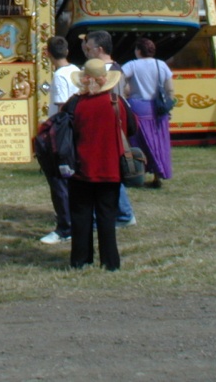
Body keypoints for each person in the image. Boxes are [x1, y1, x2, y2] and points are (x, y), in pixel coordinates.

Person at [65, 59, 137, 271]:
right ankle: (110, 262)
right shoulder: (117, 102)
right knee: (107, 217)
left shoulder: (75, 104)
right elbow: (132, 128)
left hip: (81, 168)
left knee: (81, 217)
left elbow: (64, 132)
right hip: (111, 168)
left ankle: (80, 260)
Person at [82, 31, 136, 227]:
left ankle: (121, 213)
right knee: (110, 172)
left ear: (100, 49)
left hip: (108, 127)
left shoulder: (104, 72)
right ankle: (121, 212)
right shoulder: (118, 69)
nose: (86, 52)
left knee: (107, 173)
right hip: (113, 126)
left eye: (89, 48)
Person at [38, 36, 78, 245]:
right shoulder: (77, 71)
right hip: (75, 132)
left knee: (59, 181)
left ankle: (65, 227)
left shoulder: (61, 76)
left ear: (48, 54)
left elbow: (62, 108)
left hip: (62, 134)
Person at [121, 37, 175, 188]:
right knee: (158, 142)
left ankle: (138, 172)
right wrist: (167, 106)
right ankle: (158, 175)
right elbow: (170, 88)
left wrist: (126, 91)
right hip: (157, 108)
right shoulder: (161, 64)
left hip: (138, 106)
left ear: (138, 51)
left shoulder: (132, 65)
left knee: (138, 142)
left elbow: (120, 78)